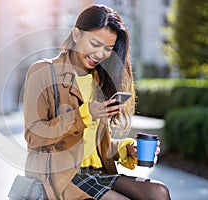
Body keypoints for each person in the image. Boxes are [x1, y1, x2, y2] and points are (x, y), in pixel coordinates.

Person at [23, 4, 170, 200]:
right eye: (95, 44)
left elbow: (93, 144)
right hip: (62, 174)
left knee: (158, 192)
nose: (100, 54)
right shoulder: (43, 72)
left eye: (108, 48)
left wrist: (127, 148)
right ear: (76, 35)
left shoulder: (100, 80)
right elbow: (34, 135)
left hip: (97, 172)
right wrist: (85, 114)